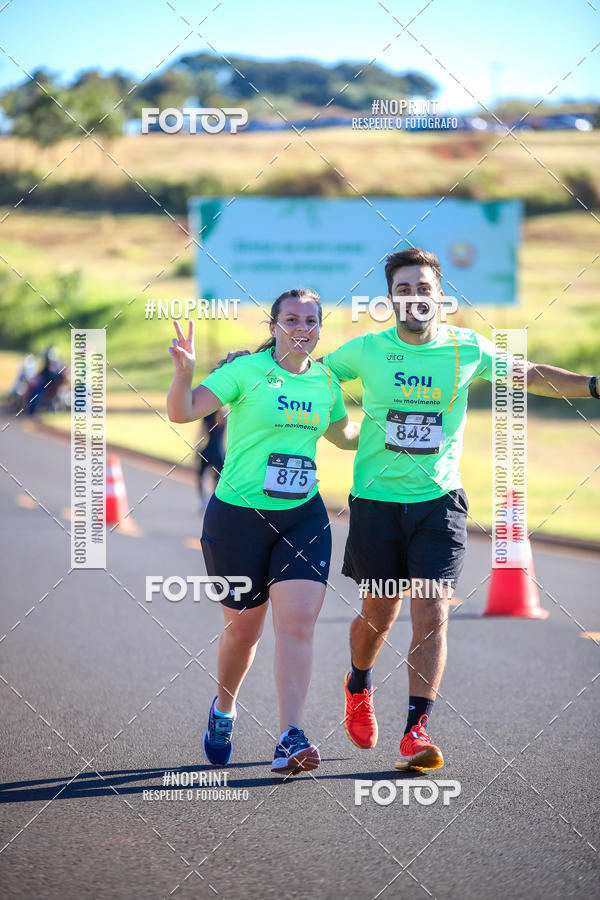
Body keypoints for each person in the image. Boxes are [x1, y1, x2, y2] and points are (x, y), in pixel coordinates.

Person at [215, 248, 600, 772]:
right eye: (404, 290)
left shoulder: (467, 350)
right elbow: (302, 368)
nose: (414, 297)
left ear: (440, 295)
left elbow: (529, 373)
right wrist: (249, 365)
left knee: (433, 608)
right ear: (390, 298)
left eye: (423, 289)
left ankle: (416, 729)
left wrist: (593, 385)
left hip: (439, 501)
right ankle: (358, 681)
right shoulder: (367, 351)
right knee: (379, 613)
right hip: (376, 503)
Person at [167, 288, 359, 775]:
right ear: (273, 326)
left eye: (310, 320)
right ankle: (224, 709)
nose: (301, 328)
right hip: (237, 520)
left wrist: (395, 420)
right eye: (291, 319)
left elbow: (343, 436)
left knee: (296, 624)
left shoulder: (326, 382)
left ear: (319, 327)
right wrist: (185, 371)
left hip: (303, 516)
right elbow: (183, 410)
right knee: (243, 632)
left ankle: (290, 736)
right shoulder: (246, 372)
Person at [196, 408, 226, 512]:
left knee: (200, 476)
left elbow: (202, 433)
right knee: (217, 478)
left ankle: (203, 501)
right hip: (219, 452)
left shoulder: (207, 415)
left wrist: (197, 448)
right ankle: (215, 502)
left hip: (207, 451)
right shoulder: (225, 415)